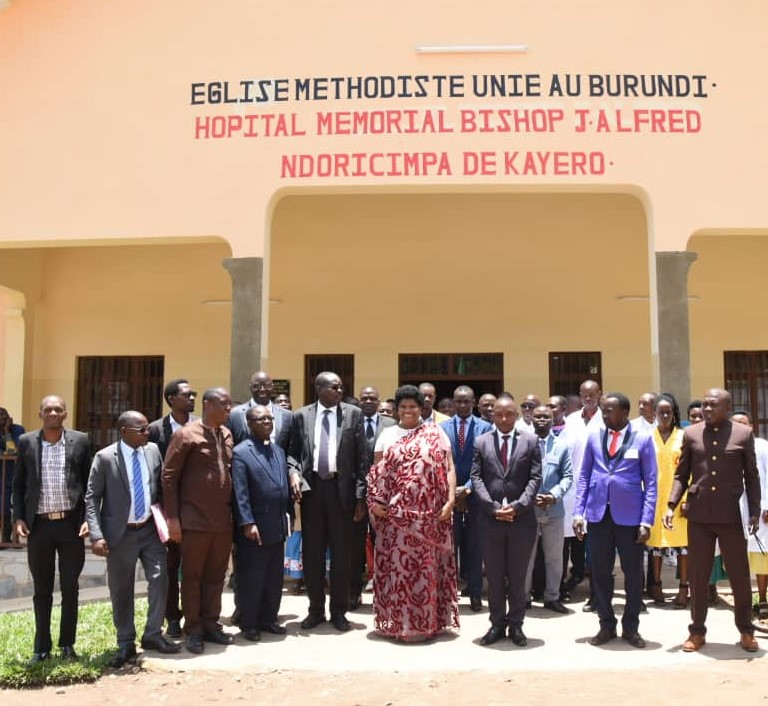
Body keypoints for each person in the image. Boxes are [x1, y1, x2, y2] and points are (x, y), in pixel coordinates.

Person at [666, 388, 760, 653]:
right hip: (699, 516)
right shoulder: (692, 433)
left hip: (730, 515)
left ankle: (746, 631)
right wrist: (672, 505)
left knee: (739, 576)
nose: (706, 409)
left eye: (713, 405)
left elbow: (752, 477)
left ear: (727, 408)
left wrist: (754, 511)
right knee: (698, 576)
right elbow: (681, 474)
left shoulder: (743, 434)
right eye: (705, 405)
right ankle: (697, 632)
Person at [85, 411, 181, 668]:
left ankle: (152, 634)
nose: (147, 433)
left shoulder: (152, 451)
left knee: (161, 579)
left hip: (149, 530)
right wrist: (96, 535)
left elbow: (159, 489)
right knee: (121, 590)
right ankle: (125, 642)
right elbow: (92, 499)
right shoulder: (105, 457)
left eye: (147, 428)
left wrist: (168, 521)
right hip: (120, 534)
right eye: (142, 429)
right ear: (124, 431)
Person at [368, 384, 458, 641]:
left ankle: (426, 625)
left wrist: (450, 500)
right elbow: (377, 474)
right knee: (398, 572)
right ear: (397, 409)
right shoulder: (387, 435)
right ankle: (399, 625)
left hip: (429, 517)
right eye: (403, 407)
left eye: (413, 407)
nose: (408, 411)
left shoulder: (435, 433)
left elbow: (449, 468)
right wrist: (376, 503)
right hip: (395, 519)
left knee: (425, 570)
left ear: (421, 409)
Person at [11, 395, 92, 664]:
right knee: (42, 589)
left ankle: (67, 644)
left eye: (58, 409)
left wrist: (87, 519)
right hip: (39, 526)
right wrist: (18, 518)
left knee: (70, 588)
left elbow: (88, 484)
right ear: (40, 413)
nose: (53, 413)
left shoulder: (80, 440)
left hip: (71, 526)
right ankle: (41, 647)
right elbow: (19, 484)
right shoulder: (26, 442)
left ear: (66, 413)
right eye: (48, 409)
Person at [573, 392, 657, 649]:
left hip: (630, 517)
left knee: (632, 574)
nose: (604, 414)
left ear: (624, 412)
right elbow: (585, 476)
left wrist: (646, 521)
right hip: (598, 516)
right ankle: (606, 624)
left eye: (609, 410)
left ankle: (631, 627)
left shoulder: (642, 439)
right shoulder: (595, 437)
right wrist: (579, 513)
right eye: (603, 410)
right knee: (600, 573)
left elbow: (652, 482)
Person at [287, 372, 367, 632]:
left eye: (341, 386)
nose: (340, 390)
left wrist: (359, 497)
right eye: (334, 386)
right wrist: (294, 474)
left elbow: (362, 460)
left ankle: (339, 611)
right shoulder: (301, 416)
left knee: (342, 555)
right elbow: (293, 454)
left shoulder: (353, 415)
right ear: (319, 387)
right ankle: (315, 610)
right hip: (312, 493)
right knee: (312, 554)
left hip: (341, 491)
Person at [162, 387, 235, 654]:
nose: (229, 409)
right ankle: (192, 629)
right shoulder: (185, 434)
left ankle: (211, 624)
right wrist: (173, 518)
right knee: (192, 577)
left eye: (230, 405)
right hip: (193, 520)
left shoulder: (226, 434)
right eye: (223, 404)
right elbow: (169, 478)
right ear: (207, 404)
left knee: (217, 575)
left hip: (221, 520)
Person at [471, 395, 542, 646]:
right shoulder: (481, 442)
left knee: (518, 576)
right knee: (495, 575)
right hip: (490, 522)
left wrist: (519, 506)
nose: (503, 419)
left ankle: (517, 626)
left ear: (517, 415)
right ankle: (496, 625)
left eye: (509, 414)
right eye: (499, 414)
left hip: (521, 522)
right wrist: (491, 507)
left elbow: (535, 478)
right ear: (492, 416)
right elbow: (476, 478)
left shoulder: (531, 441)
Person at [232, 406, 292, 642]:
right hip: (255, 526)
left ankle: (269, 619)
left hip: (277, 523)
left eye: (270, 418)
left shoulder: (277, 450)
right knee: (253, 577)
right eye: (261, 419)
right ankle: (250, 623)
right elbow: (240, 492)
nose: (267, 422)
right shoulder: (241, 452)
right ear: (250, 423)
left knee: (273, 577)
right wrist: (247, 522)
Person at [147, 378, 198, 638]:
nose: (192, 399)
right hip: (168, 509)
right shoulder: (156, 430)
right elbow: (155, 470)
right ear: (171, 399)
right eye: (187, 395)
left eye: (194, 395)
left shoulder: (201, 426)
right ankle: (172, 616)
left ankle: (195, 615)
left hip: (197, 508)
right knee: (169, 565)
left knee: (194, 564)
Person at [441, 385, 493, 612]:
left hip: (475, 496)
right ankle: (449, 594)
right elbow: (440, 462)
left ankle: (474, 593)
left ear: (474, 402)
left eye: (467, 401)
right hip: (449, 496)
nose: (462, 405)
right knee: (450, 547)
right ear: (453, 403)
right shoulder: (441, 428)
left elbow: (486, 463)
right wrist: (454, 490)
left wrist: (468, 488)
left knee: (474, 547)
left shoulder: (486, 428)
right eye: (458, 401)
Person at [349, 386, 396, 610]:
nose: (368, 401)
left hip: (385, 496)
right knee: (355, 546)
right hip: (356, 495)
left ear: (379, 402)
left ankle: (384, 593)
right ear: (359, 401)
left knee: (384, 545)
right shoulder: (350, 422)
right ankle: (354, 593)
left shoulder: (390, 425)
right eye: (364, 398)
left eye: (373, 398)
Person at [526, 405, 573, 614]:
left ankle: (552, 597)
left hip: (553, 511)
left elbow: (568, 476)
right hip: (528, 511)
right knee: (525, 557)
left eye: (546, 417)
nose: (542, 420)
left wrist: (553, 495)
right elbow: (516, 475)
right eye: (538, 417)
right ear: (532, 420)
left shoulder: (562, 446)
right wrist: (530, 496)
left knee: (554, 558)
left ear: (553, 420)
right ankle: (523, 597)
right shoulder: (523, 443)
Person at [560, 380, 603, 603]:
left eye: (592, 394)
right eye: (584, 394)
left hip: (599, 489)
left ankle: (597, 593)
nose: (588, 398)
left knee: (596, 542)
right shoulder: (572, 420)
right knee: (570, 538)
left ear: (599, 394)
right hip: (574, 488)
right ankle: (567, 582)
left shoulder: (606, 419)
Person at [646, 393, 688, 607]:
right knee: (655, 547)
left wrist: (686, 500)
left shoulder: (683, 437)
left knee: (682, 546)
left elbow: (689, 471)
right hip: (653, 499)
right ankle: (657, 586)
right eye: (660, 412)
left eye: (668, 412)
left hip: (678, 499)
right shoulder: (647, 438)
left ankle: (683, 589)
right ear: (654, 414)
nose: (664, 416)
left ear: (674, 414)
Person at [731, 410, 768, 618]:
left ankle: (762, 599)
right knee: (738, 558)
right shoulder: (728, 446)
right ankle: (743, 600)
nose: (740, 427)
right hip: (734, 510)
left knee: (761, 555)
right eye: (735, 423)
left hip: (759, 510)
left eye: (743, 423)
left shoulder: (762, 446)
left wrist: (767, 506)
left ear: (751, 426)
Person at [229, 371, 293, 450]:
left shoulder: (287, 415)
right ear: (250, 387)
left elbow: (291, 448)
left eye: (266, 385)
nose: (262, 389)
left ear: (272, 387)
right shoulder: (235, 414)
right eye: (257, 386)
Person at [0, 406, 25, 543]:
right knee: (2, 505)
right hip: (1, 474)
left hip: (14, 474)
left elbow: (14, 450)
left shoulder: (18, 429)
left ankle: (11, 538)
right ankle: (5, 538)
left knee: (11, 505)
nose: (2, 418)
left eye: (4, 415)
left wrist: (6, 432)